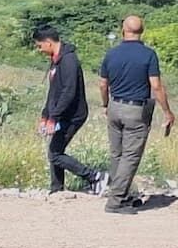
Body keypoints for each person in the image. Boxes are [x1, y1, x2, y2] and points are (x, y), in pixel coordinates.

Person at [98, 16, 176, 215]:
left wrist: (106, 104)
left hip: (115, 106)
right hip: (136, 110)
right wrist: (167, 112)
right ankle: (115, 201)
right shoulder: (148, 55)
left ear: (123, 30)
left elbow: (102, 84)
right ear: (142, 31)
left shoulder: (111, 53)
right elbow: (156, 86)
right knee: (130, 156)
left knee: (117, 154)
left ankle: (120, 195)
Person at [33, 26, 106, 195]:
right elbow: (53, 91)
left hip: (73, 115)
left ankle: (94, 176)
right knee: (54, 150)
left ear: (48, 43)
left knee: (55, 153)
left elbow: (69, 91)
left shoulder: (69, 60)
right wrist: (45, 115)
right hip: (60, 113)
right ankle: (56, 189)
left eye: (39, 46)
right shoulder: (56, 60)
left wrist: (54, 117)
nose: (39, 50)